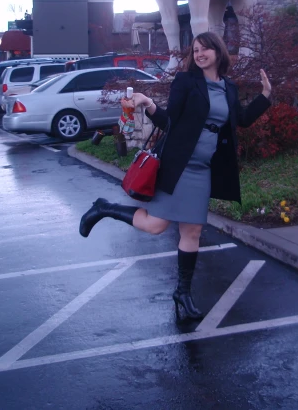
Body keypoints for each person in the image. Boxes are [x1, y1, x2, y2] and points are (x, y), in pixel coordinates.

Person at [79, 31, 272, 320]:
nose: (199, 54)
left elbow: (241, 120)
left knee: (192, 232)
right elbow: (169, 121)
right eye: (195, 50)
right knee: (156, 225)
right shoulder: (187, 82)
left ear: (218, 52)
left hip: (204, 169)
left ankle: (183, 292)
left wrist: (266, 97)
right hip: (179, 164)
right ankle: (103, 208)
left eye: (205, 49)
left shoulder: (229, 88)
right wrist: (148, 103)